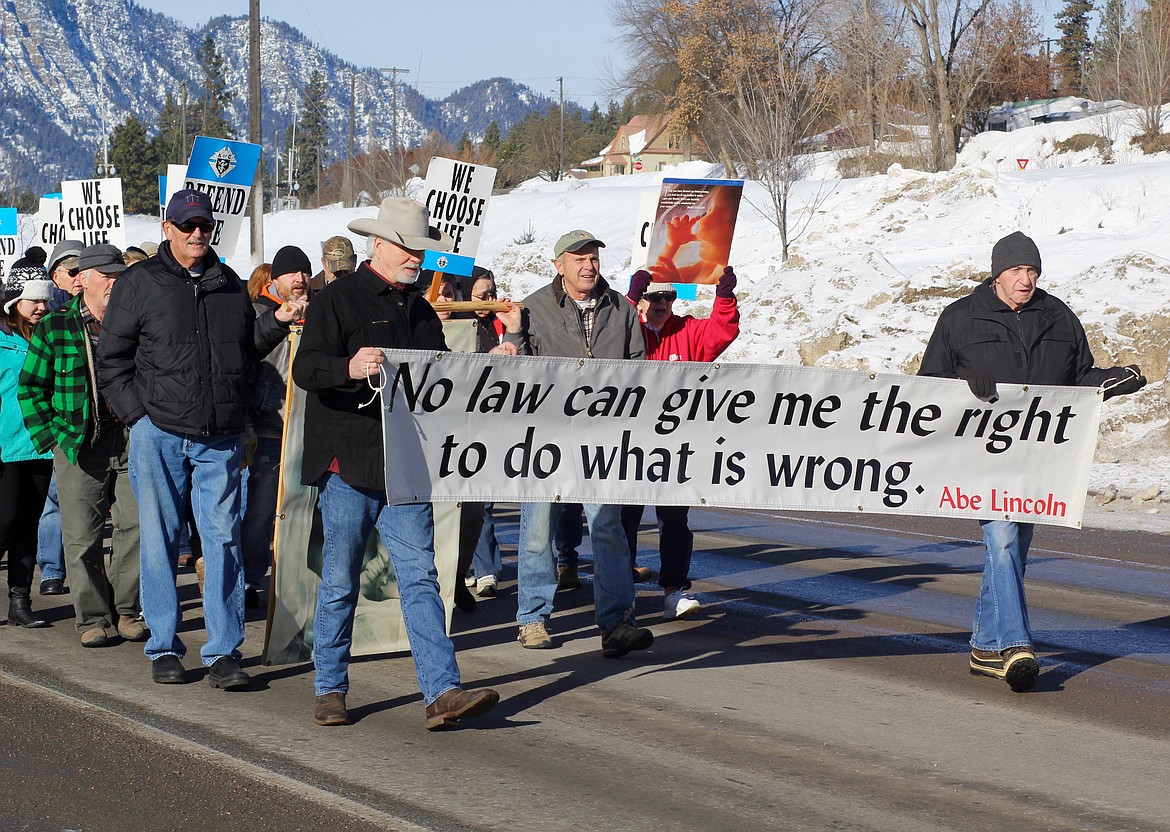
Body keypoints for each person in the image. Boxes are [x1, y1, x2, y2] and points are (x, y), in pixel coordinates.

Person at [293, 196, 499, 729]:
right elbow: (306, 369)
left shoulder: (422, 311)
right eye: (409, 249)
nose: (417, 258)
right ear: (380, 246)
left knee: (419, 578)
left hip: (404, 466)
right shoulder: (337, 299)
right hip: (349, 464)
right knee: (340, 578)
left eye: (420, 250)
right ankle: (330, 687)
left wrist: (489, 369)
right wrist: (348, 366)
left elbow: (437, 385)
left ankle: (441, 691)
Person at [919, 231, 1146, 692]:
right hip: (981, 456)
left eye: (1033, 271)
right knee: (1001, 542)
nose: (1026, 280)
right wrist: (966, 381)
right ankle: (1016, 646)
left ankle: (984, 647)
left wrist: (1116, 380)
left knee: (1014, 550)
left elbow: (1079, 376)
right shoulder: (960, 317)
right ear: (997, 273)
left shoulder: (1058, 315)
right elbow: (927, 384)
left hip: (1041, 459)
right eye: (1017, 271)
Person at [97, 189, 294, 689]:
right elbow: (112, 359)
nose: (196, 233)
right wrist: (137, 418)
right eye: (187, 225)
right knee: (160, 539)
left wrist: (278, 322)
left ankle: (224, 650)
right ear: (168, 229)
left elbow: (245, 348)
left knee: (223, 539)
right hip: (158, 431)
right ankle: (163, 644)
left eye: (203, 224)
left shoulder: (228, 283)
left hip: (220, 436)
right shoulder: (140, 283)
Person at [515, 229, 653, 657]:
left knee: (608, 527)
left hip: (602, 439)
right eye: (578, 259)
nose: (588, 265)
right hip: (546, 438)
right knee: (539, 528)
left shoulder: (622, 310)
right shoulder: (534, 308)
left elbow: (639, 369)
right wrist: (515, 335)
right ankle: (533, 619)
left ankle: (616, 621)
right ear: (559, 265)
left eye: (593, 257)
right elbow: (517, 370)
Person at [18, 244, 144, 647]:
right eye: (105, 277)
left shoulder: (136, 322)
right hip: (78, 442)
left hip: (131, 436)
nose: (113, 284)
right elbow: (31, 388)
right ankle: (91, 616)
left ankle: (126, 610)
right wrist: (52, 438)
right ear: (83, 281)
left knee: (137, 527)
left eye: (118, 276)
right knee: (82, 535)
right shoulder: (55, 327)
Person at [620, 268, 741, 619]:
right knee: (624, 519)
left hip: (675, 444)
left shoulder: (687, 330)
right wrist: (629, 300)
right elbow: (608, 338)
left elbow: (722, 331)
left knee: (674, 518)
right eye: (654, 296)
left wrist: (724, 296)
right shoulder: (631, 330)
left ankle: (674, 589)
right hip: (629, 442)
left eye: (668, 297)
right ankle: (621, 590)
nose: (661, 303)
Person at [243, 246, 310, 609]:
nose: (299, 280)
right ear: (275, 280)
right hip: (268, 427)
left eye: (304, 273)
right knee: (259, 512)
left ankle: (291, 581)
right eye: (292, 274)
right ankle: (249, 579)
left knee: (300, 511)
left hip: (304, 429)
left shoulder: (317, 314)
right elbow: (249, 355)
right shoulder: (257, 313)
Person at [0, 270, 54, 628]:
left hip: (42, 445)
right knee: (4, 522)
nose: (40, 306)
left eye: (45, 299)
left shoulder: (50, 338)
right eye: (33, 299)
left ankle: (20, 600)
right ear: (13, 302)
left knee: (28, 526)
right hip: (5, 447)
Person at [36, 240, 83, 594]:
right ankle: (52, 568)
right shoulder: (48, 319)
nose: (81, 278)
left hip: (94, 429)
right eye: (74, 272)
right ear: (56, 276)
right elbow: (33, 383)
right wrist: (51, 433)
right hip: (61, 429)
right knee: (55, 500)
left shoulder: (101, 312)